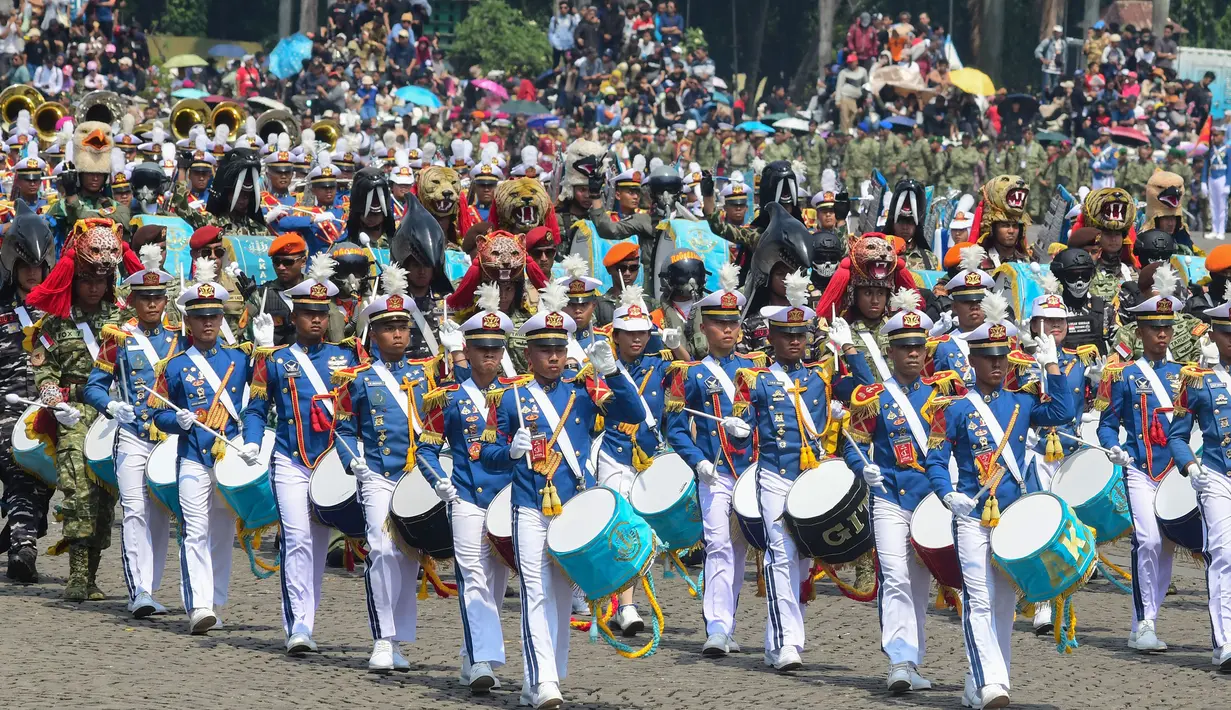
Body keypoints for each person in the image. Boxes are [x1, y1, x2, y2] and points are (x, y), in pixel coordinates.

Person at [479, 281, 641, 709]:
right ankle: (544, 680)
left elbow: (634, 415)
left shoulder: (584, 392)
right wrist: (507, 451)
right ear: (528, 354)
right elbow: (487, 453)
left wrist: (612, 372)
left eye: (559, 347)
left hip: (572, 510)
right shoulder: (509, 396)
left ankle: (543, 676)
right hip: (530, 507)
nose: (553, 356)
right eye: (544, 349)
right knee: (536, 593)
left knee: (561, 595)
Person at [925, 291, 1073, 710]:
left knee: (1004, 603)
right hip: (973, 516)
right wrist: (946, 492)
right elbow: (935, 459)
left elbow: (1062, 411)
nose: (996, 364)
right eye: (988, 357)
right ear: (972, 360)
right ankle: (992, 682)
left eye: (1001, 357)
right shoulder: (951, 408)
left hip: (1012, 516)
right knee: (978, 598)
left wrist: (1051, 365)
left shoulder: (1023, 403)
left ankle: (983, 683)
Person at [242, 254, 360, 655]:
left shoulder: (346, 359)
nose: (316, 321)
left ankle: (307, 619)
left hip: (332, 465)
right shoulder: (274, 359)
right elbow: (256, 407)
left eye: (322, 314)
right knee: (296, 540)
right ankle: (297, 626)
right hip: (291, 460)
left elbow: (361, 407)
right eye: (308, 313)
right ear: (294, 315)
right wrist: (254, 441)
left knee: (318, 545)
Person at [847, 287, 963, 692]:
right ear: (891, 352)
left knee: (918, 583)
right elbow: (853, 444)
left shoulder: (945, 395)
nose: (912, 354)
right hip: (890, 498)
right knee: (894, 575)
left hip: (931, 502)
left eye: (918, 347)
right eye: (904, 348)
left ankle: (912, 661)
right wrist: (865, 470)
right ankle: (898, 659)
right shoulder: (872, 396)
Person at [335, 264, 446, 672]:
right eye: (388, 327)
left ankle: (399, 639)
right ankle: (381, 638)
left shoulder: (429, 372)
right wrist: (355, 462)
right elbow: (342, 428)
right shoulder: (356, 378)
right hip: (379, 475)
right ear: (374, 334)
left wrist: (457, 360)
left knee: (408, 556)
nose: (398, 334)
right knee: (381, 550)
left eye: (403, 326)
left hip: (417, 478)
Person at [148, 258, 254, 634]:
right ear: (188, 322)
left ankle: (216, 601)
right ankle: (199, 605)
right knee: (194, 530)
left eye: (214, 316)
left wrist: (252, 440)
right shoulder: (173, 366)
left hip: (228, 457)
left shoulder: (241, 360)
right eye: (201, 317)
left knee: (223, 532)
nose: (208, 323)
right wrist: (174, 422)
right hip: (192, 456)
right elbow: (156, 414)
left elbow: (255, 406)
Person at [27, 218, 130, 601]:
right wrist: (55, 402)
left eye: (100, 281)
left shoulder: (123, 319)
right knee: (78, 491)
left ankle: (93, 576)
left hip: (112, 414)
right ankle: (76, 575)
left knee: (105, 497)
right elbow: (43, 369)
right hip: (73, 413)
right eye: (86, 280)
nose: (93, 287)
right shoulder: (55, 321)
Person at [663, 264, 762, 657]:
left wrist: (750, 428)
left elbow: (771, 420)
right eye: (720, 324)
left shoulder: (755, 370)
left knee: (738, 551)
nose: (728, 331)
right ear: (704, 327)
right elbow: (675, 425)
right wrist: (697, 460)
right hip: (715, 473)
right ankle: (717, 627)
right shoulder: (688, 374)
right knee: (718, 544)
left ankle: (727, 621)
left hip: (750, 473)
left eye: (733, 324)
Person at [419, 282, 513, 692]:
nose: (490, 355)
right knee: (472, 577)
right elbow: (425, 448)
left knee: (495, 582)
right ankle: (482, 661)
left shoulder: (518, 395)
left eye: (496, 347)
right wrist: (438, 481)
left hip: (508, 499)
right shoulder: (448, 399)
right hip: (466, 497)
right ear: (467, 352)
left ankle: (470, 649)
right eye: (482, 348)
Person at [83, 245, 177, 617]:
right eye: (145, 298)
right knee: (135, 511)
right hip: (133, 434)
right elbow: (93, 386)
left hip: (169, 436)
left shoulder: (178, 338)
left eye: (158, 298)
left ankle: (151, 587)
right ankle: (138, 590)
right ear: (133, 301)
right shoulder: (117, 337)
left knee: (159, 515)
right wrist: (110, 405)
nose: (152, 305)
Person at [1097, 264, 1185, 653]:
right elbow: (1105, 423)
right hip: (1138, 468)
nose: (1161, 335)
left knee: (1164, 546)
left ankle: (1145, 620)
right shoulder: (1122, 374)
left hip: (1175, 473)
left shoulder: (1187, 376)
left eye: (1166, 328)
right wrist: (1111, 447)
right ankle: (1145, 620)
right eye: (1154, 328)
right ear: (1141, 332)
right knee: (1146, 540)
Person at [592, 283, 674, 635]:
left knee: (642, 533)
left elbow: (694, 369)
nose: (637, 339)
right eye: (630, 333)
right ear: (617, 334)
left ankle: (624, 602)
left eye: (643, 333)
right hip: (614, 454)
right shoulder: (599, 367)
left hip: (650, 458)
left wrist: (676, 340)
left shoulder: (660, 365)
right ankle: (623, 605)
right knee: (619, 529)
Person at [1168, 291, 1231, 671]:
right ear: (1215, 336)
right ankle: (1225, 643)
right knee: (1223, 555)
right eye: (1227, 334)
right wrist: (1191, 468)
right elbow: (1177, 434)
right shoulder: (1197, 380)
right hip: (1217, 476)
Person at [0, 200, 54, 583]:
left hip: (46, 410)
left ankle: (22, 531)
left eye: (37, 267)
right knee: (23, 478)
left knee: (41, 487)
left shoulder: (60, 311)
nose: (33, 274)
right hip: (4, 412)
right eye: (25, 267)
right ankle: (23, 550)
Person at [244, 234, 308, 346]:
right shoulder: (262, 295)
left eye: (288, 262)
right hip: (275, 359)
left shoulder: (318, 290)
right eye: (276, 262)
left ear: (303, 261)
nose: (281, 267)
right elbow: (246, 336)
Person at [1205, 126, 1228, 241]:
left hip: (1222, 177)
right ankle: (1214, 229)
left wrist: (1228, 183)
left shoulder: (1227, 149)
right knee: (1213, 205)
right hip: (1212, 177)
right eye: (1213, 135)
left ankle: (1221, 230)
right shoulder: (1210, 149)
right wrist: (1203, 182)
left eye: (1217, 135)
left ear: (1223, 136)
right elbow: (1206, 166)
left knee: (1222, 206)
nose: (1214, 137)